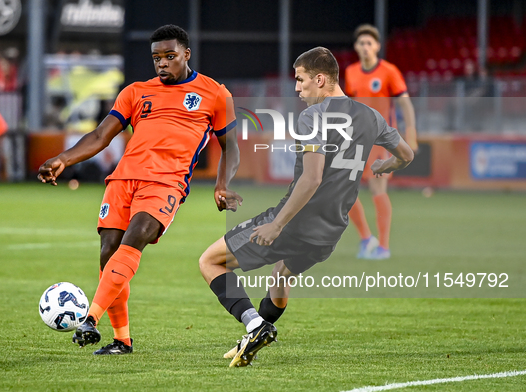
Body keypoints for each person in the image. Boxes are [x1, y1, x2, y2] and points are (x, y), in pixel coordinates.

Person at [199, 46, 414, 367]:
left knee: (209, 262)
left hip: (297, 221)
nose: (297, 88)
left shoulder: (313, 116)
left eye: (300, 80)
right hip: (332, 230)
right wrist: (386, 165)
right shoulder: (371, 116)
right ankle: (255, 333)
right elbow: (407, 154)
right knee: (281, 274)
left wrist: (278, 224)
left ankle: (256, 325)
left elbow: (311, 179)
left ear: (320, 78)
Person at [38, 24, 241, 355]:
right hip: (123, 180)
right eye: (157, 58)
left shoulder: (215, 93)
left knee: (138, 236)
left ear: (186, 54)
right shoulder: (135, 92)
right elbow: (101, 135)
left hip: (167, 182)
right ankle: (122, 340)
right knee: (108, 253)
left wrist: (222, 185)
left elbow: (230, 146)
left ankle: (90, 318)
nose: (162, 63)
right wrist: (64, 159)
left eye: (170, 56)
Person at [344, 24, 418, 259]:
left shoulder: (389, 71)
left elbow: (405, 103)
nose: (365, 47)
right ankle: (367, 238)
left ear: (377, 46)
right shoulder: (351, 72)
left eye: (369, 43)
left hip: (382, 140)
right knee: (344, 191)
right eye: (361, 43)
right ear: (356, 47)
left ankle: (383, 247)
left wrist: (411, 134)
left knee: (377, 187)